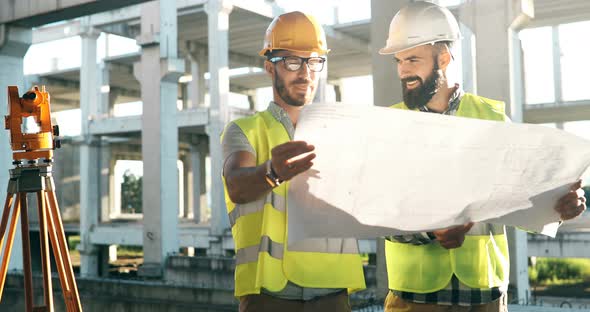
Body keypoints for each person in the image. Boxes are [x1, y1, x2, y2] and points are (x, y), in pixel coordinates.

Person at [378, 2, 587, 311]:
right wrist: (428, 232)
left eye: (412, 59)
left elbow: (526, 192)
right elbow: (375, 211)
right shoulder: (387, 127)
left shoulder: (491, 118)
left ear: (444, 59)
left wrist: (560, 206)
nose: (402, 70)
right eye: (398, 60)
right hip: (415, 297)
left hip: (483, 295)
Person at [221, 11, 365, 312]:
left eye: (313, 61)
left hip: (333, 292)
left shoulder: (344, 133)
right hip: (269, 295)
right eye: (292, 61)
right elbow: (237, 185)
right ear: (269, 68)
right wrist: (270, 172)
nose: (305, 72)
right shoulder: (245, 131)